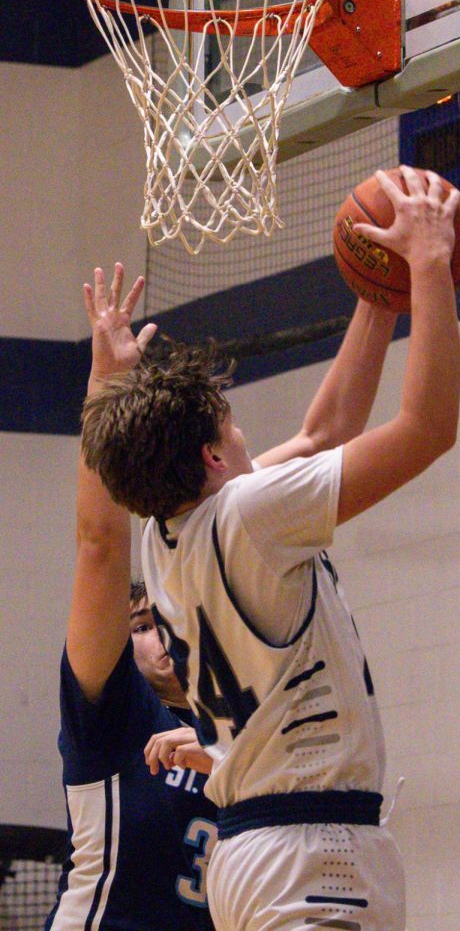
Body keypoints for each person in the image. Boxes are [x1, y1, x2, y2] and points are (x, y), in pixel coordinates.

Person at [80, 167, 460, 931]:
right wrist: (426, 267)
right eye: (233, 426)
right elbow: (426, 430)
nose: (248, 436)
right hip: (309, 854)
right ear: (213, 459)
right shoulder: (250, 513)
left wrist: (377, 298)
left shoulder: (164, 537)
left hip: (270, 843)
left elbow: (325, 433)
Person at [45, 271, 218, 931]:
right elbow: (99, 547)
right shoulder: (114, 712)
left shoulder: (244, 729)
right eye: (142, 623)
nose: (160, 635)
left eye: (169, 617)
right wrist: (107, 394)